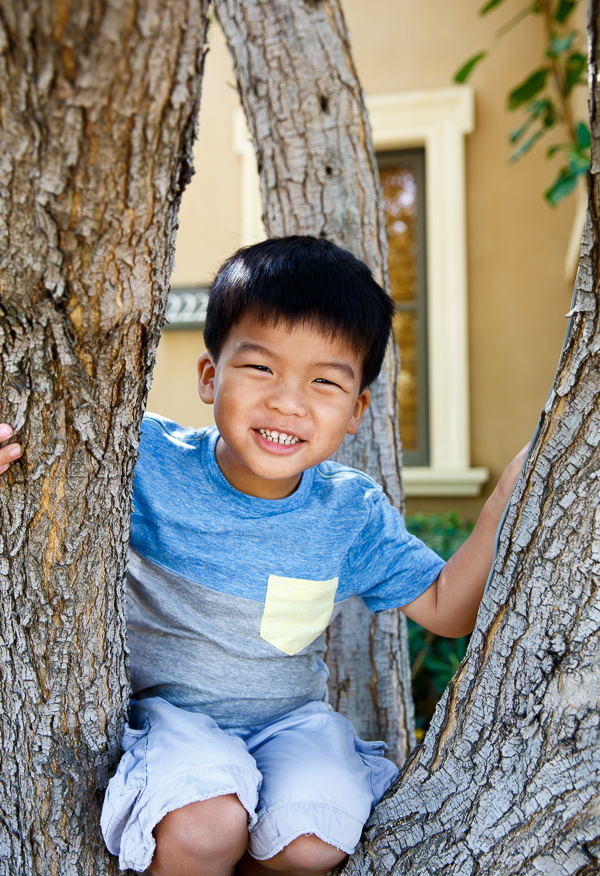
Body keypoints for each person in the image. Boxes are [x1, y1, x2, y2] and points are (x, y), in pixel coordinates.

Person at [0, 236, 526, 876]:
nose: (287, 401)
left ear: (356, 410)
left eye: (324, 381)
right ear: (208, 376)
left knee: (313, 839)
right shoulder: (142, 459)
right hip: (170, 723)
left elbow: (447, 607)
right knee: (206, 826)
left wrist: (504, 501)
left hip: (288, 726)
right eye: (260, 368)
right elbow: (41, 470)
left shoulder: (348, 512)